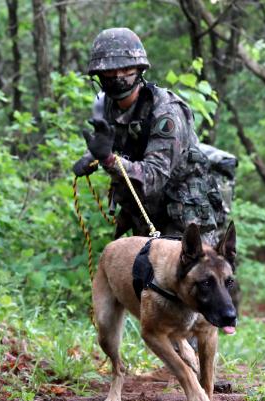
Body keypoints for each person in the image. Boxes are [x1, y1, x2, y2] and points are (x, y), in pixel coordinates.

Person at [71, 27, 222, 244]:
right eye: (109, 72)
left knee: (195, 277)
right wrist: (91, 157)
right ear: (98, 75)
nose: (118, 77)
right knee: (143, 277)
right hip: (145, 214)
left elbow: (154, 177)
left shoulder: (166, 112)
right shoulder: (107, 107)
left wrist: (109, 160)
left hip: (185, 219)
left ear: (139, 69)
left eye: (125, 70)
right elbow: (112, 143)